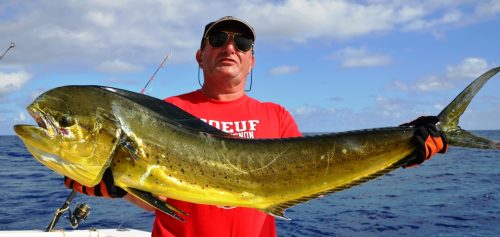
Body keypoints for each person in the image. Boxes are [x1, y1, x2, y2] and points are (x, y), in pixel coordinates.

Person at [64, 16, 448, 236]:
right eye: (218, 39)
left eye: (242, 43)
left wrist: (404, 150)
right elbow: (153, 192)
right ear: (201, 56)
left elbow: (320, 172)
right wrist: (115, 186)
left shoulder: (277, 116)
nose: (229, 47)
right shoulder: (165, 111)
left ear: (251, 61)